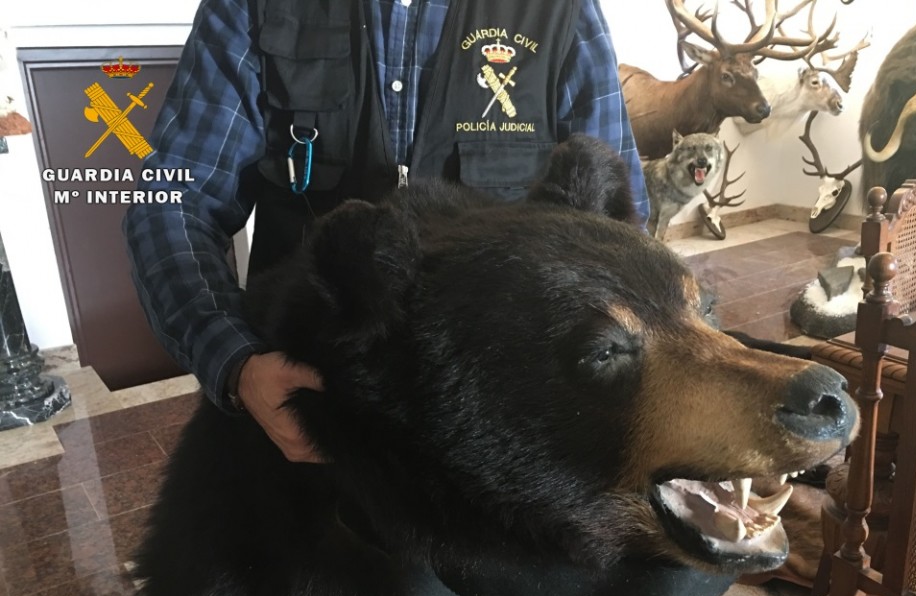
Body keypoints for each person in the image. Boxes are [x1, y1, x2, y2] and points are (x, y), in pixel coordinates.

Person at [124, 0, 649, 462]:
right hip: (304, 416)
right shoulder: (253, 5)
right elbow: (172, 200)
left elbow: (614, 230)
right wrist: (236, 361)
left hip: (490, 432)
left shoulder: (561, 9)